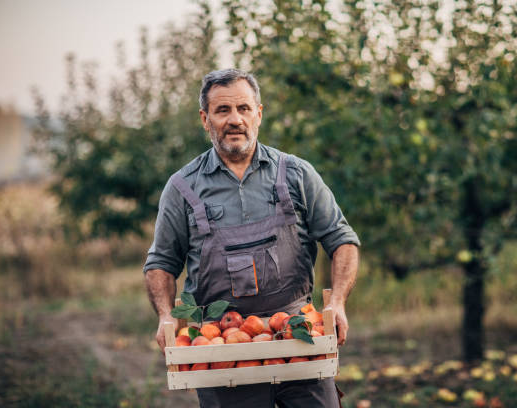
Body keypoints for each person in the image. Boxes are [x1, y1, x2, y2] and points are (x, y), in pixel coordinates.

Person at [143, 68, 360, 407]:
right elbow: (161, 262)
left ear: (259, 113)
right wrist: (166, 316)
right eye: (222, 110)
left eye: (244, 108)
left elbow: (341, 238)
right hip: (220, 346)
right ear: (205, 118)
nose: (235, 119)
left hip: (298, 336)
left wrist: (337, 304)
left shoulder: (297, 174)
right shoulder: (183, 187)